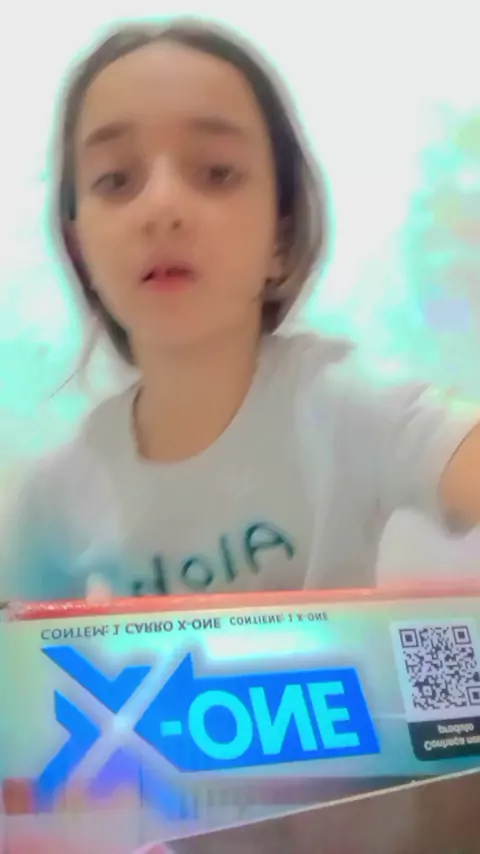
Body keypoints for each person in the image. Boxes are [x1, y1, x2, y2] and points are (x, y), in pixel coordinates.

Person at [5, 18, 480, 604]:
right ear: (79, 246)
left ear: (281, 234)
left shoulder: (345, 405)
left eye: (216, 172)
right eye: (116, 180)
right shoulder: (52, 501)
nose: (162, 207)